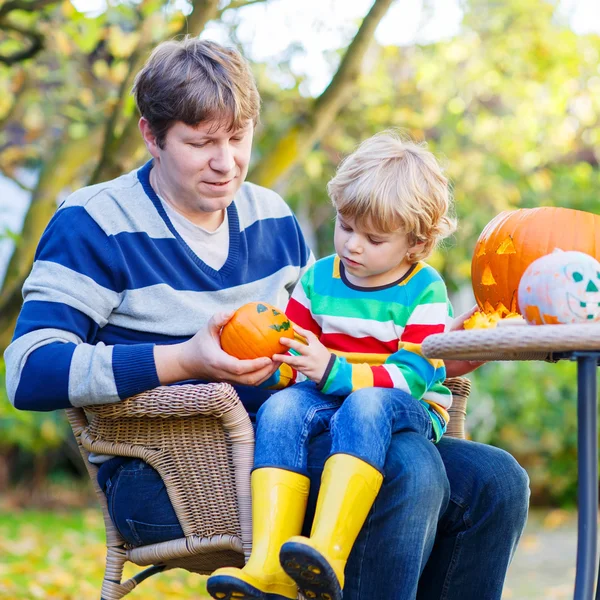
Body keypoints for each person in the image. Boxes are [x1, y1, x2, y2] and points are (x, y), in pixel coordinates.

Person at [3, 36, 529, 600]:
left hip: (295, 440)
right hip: (173, 472)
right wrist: (185, 359)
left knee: (496, 480)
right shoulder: (94, 220)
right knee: (407, 466)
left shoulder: (271, 215)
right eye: (201, 142)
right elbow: (29, 371)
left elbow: (322, 340)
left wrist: (439, 350)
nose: (225, 162)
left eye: (237, 137)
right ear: (150, 136)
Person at [207, 132, 457, 600]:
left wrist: (333, 371)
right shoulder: (320, 276)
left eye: (374, 238)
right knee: (280, 411)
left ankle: (329, 553)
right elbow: (294, 345)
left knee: (365, 404)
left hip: (406, 405)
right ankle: (268, 563)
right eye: (345, 226)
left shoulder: (424, 290)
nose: (353, 245)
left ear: (415, 244)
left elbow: (414, 375)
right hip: (328, 393)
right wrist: (270, 362)